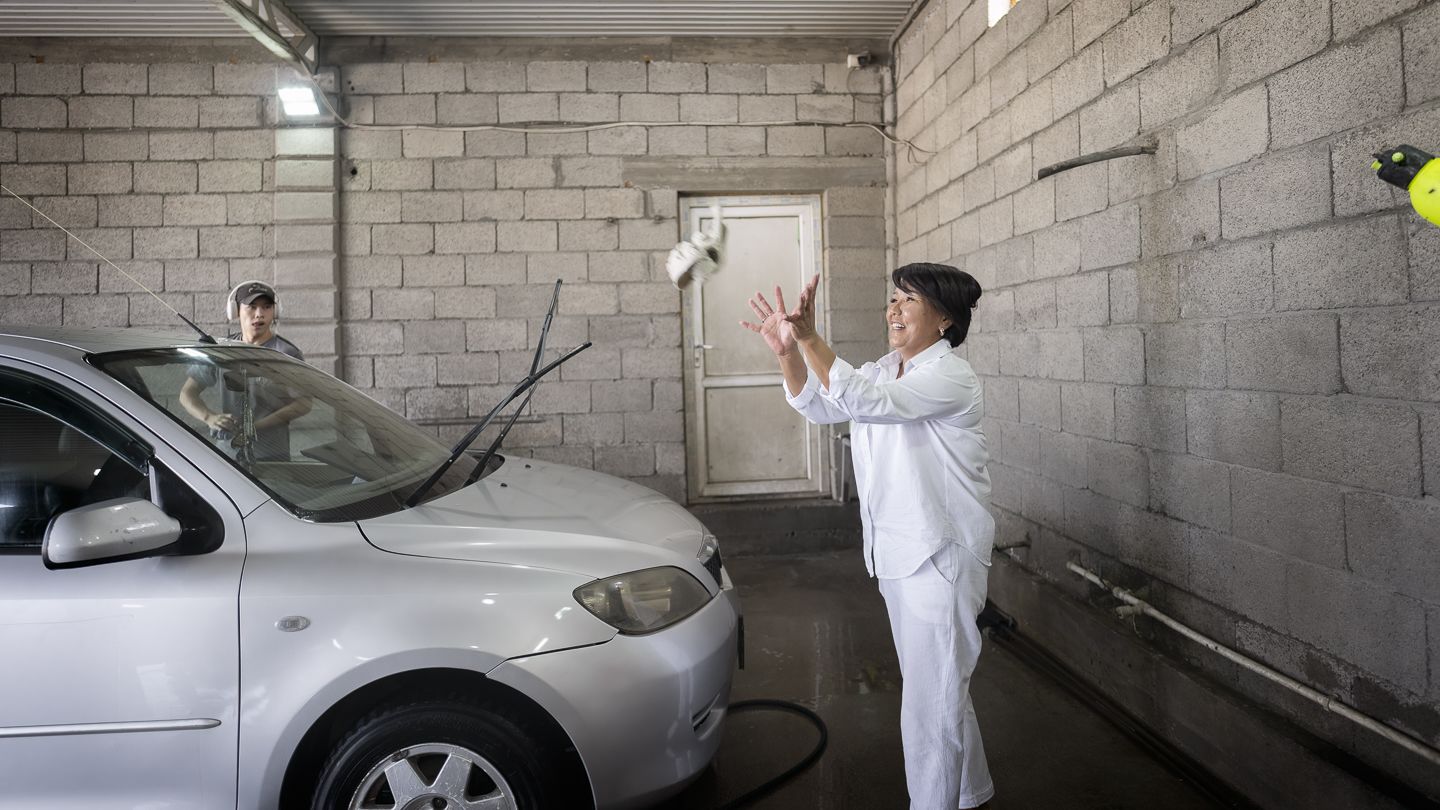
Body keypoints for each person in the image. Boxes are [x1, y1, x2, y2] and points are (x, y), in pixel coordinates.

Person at [741, 263, 994, 810]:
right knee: (939, 690)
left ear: (945, 319)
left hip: (939, 559)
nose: (894, 309)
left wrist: (810, 336)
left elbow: (863, 402)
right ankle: (970, 796)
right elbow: (821, 404)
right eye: (894, 298)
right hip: (899, 554)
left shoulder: (950, 376)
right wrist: (788, 352)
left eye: (910, 300)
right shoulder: (884, 370)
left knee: (930, 708)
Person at [179, 280, 310, 461]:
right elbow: (187, 394)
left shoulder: (286, 354)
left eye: (266, 307)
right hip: (227, 456)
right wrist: (209, 417)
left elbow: (303, 403)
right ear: (236, 311)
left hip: (270, 455)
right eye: (252, 307)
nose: (259, 314)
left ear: (275, 311)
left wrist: (257, 426)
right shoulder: (222, 350)